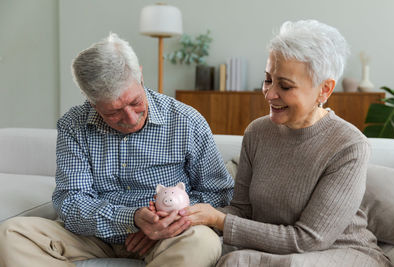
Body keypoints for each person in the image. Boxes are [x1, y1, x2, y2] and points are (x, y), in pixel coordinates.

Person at [0, 33, 234, 267]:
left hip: (169, 237)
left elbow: (219, 194)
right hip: (93, 237)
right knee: (10, 235)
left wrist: (163, 224)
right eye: (113, 112)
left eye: (135, 102)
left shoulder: (186, 121)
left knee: (203, 243)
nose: (130, 118)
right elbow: (70, 201)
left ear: (140, 75)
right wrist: (131, 219)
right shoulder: (73, 126)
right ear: (91, 100)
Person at [181, 20, 393, 266]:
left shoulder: (349, 145)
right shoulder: (257, 132)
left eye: (285, 85)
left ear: (324, 89)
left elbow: (309, 240)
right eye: (268, 79)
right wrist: (191, 215)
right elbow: (241, 212)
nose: (269, 94)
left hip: (344, 252)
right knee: (233, 260)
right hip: (279, 253)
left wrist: (219, 221)